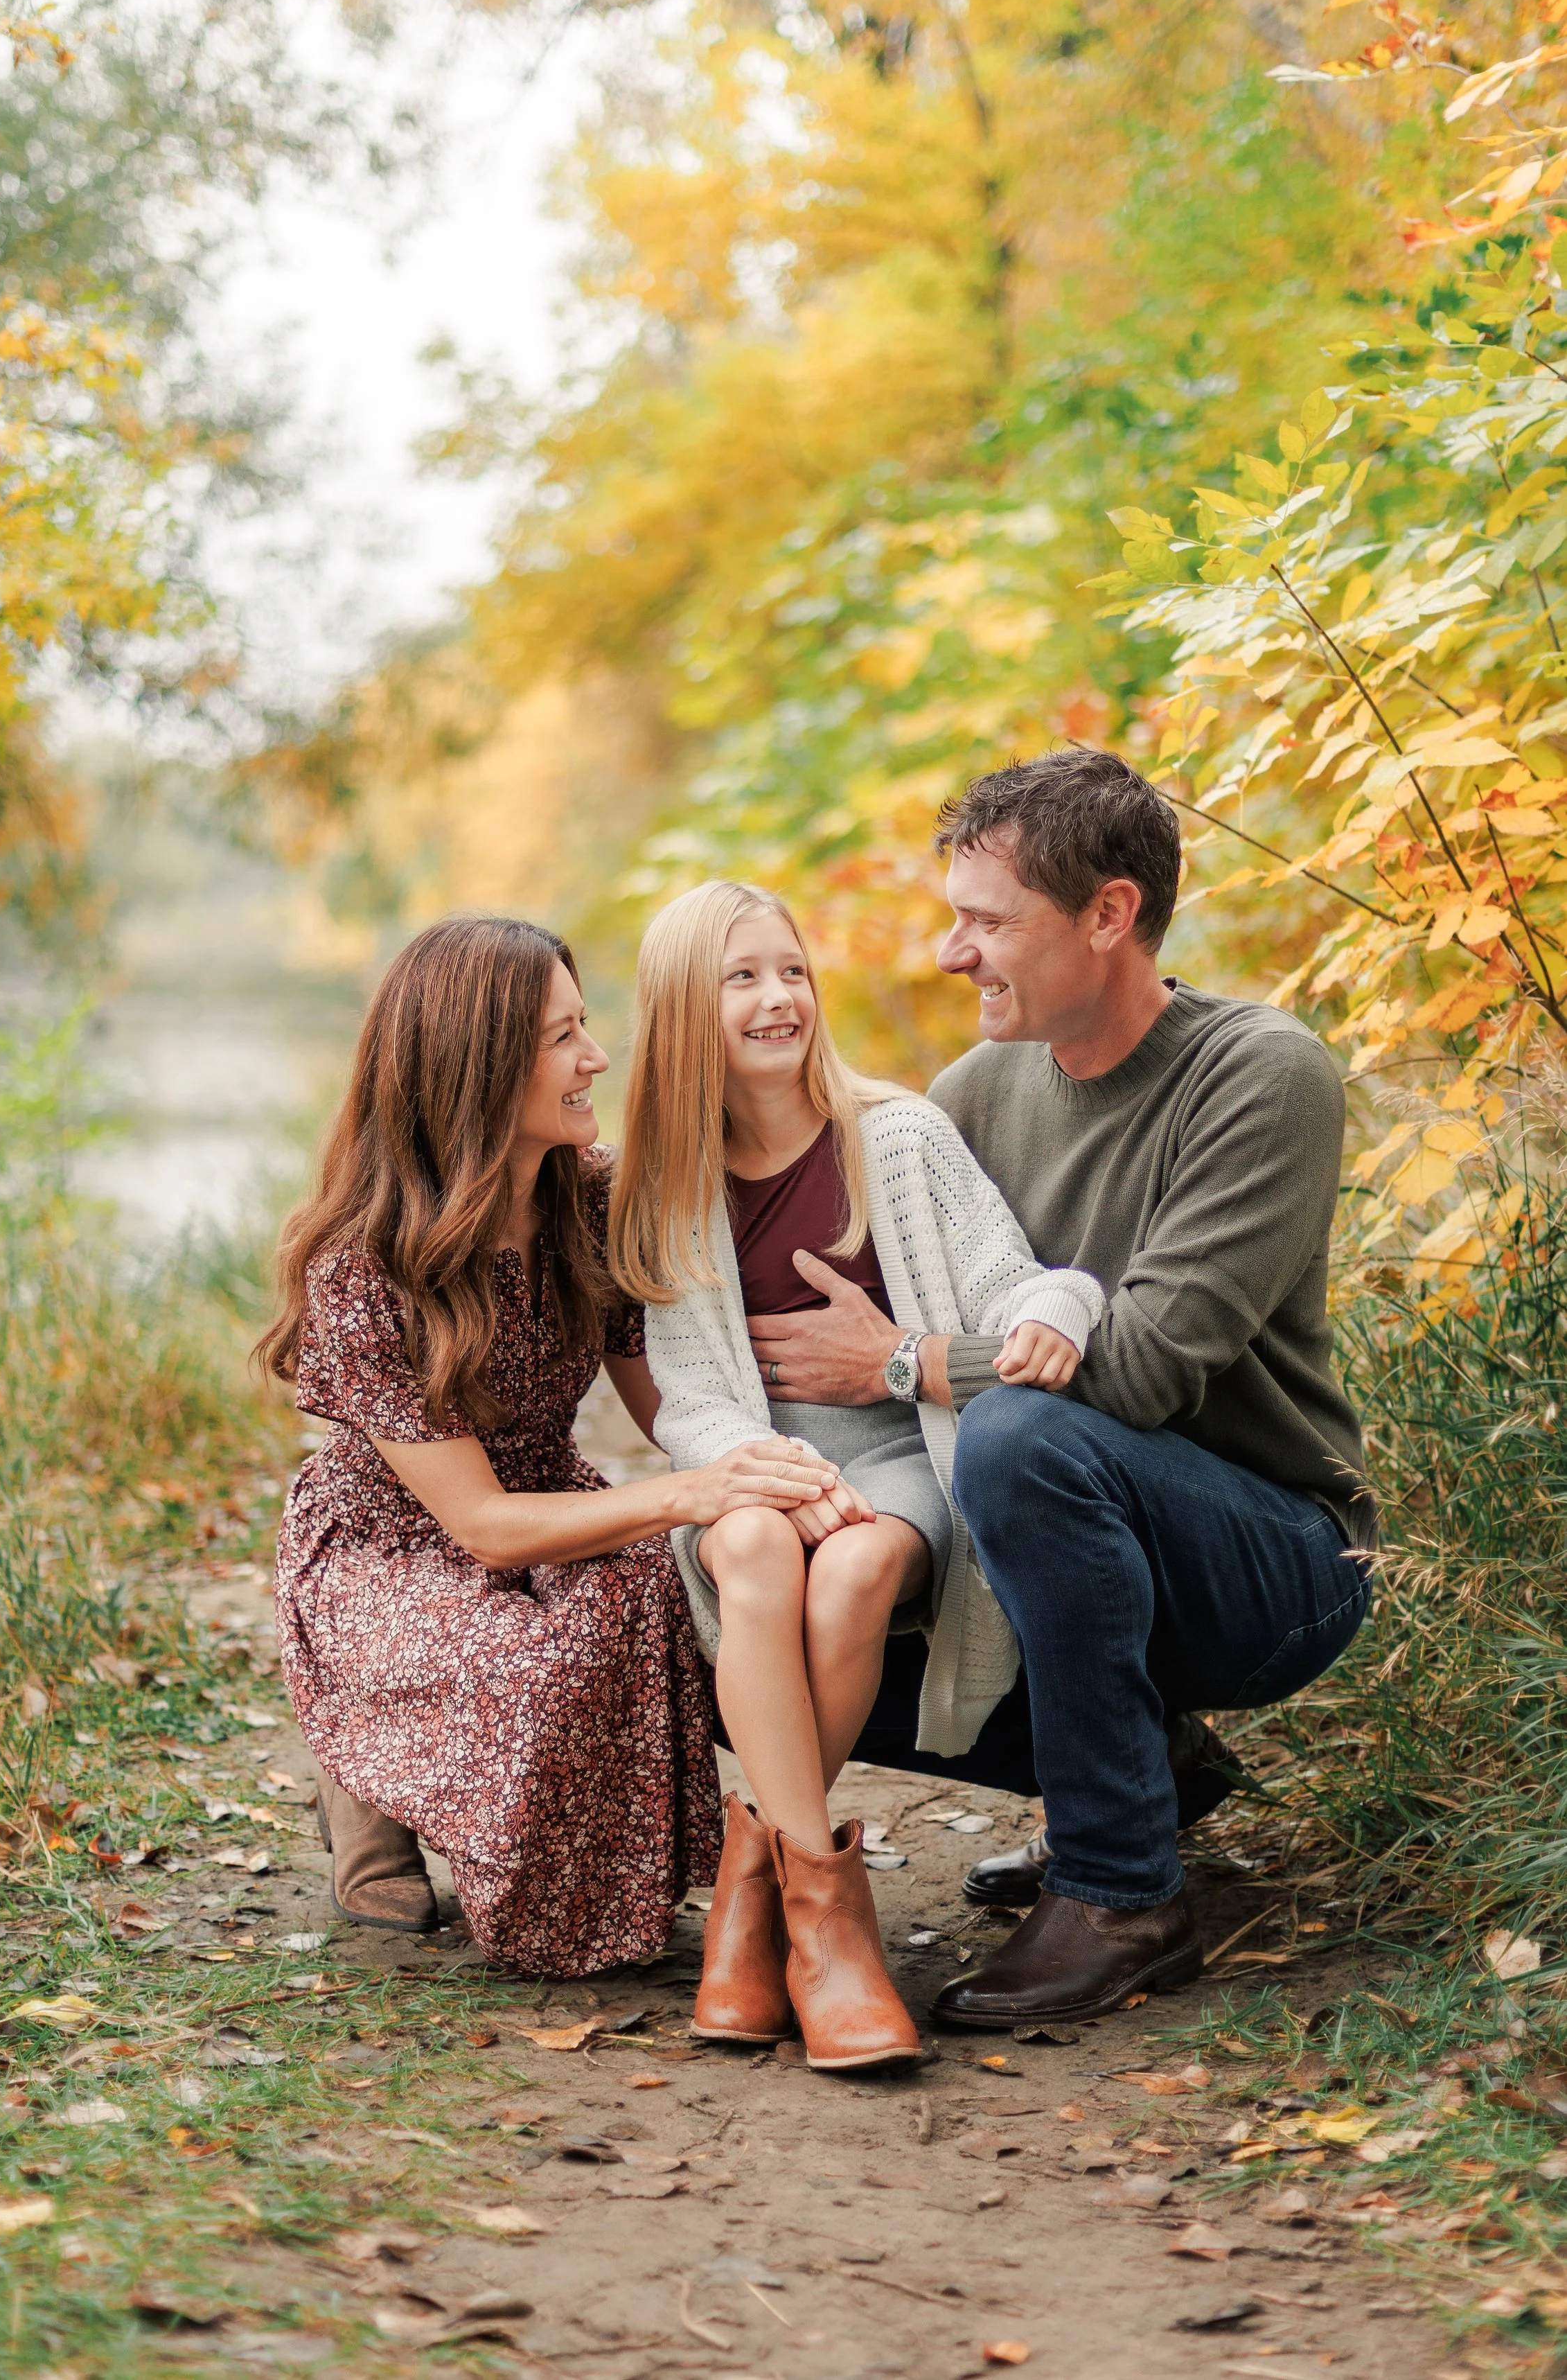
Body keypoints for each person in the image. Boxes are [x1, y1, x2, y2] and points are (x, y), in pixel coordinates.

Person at [740, 748, 1374, 2028]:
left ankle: (1121, 1888)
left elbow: (1135, 1367)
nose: (949, 954)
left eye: (987, 921)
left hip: (1273, 1562)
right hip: (1063, 1547)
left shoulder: (1262, 1073)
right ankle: (1147, 1772)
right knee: (782, 1597)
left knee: (1024, 1436)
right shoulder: (973, 1094)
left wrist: (909, 1361)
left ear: (1109, 914)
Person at [256, 913, 847, 1978]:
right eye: (562, 1039)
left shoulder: (591, 1193)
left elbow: (666, 1396)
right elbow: (480, 1527)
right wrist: (690, 1496)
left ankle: (609, 1883)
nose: (596, 1059)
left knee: (647, 1605)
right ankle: (364, 1771)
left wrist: (772, 1466)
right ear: (476, 1069)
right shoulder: (363, 1266)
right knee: (531, 1661)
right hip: (396, 1542)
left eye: (587, 1026)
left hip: (552, 1498)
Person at [609, 881, 1104, 2067]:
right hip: (750, 1455)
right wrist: (768, 1472)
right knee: (760, 1551)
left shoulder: (898, 1136)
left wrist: (1061, 1313)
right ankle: (819, 1917)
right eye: (742, 978)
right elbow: (693, 1396)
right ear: (686, 1006)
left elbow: (1013, 1276)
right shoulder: (665, 1177)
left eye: (792, 970)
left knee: (862, 1564)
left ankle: (763, 1893)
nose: (779, 997)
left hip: (899, 1449)